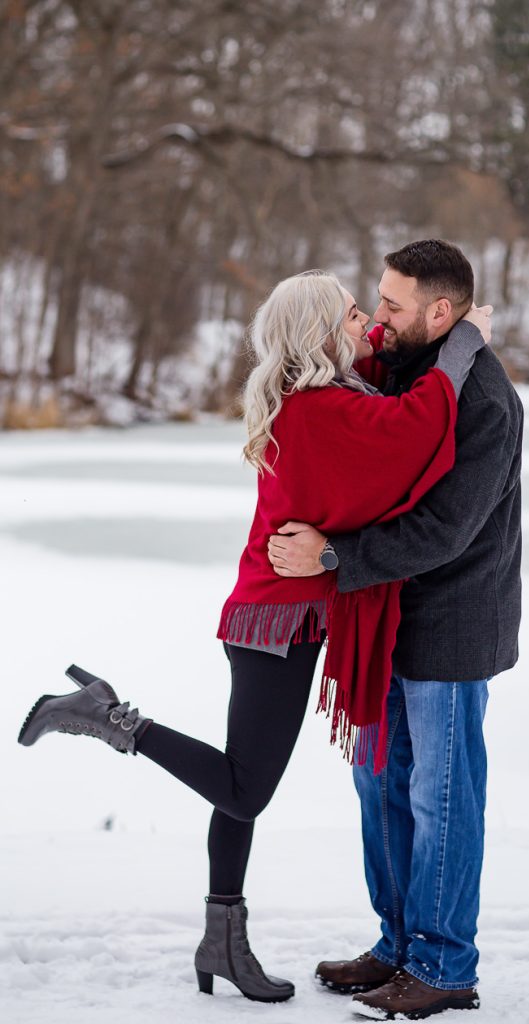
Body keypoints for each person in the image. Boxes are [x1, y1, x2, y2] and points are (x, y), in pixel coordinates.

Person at [17, 268, 489, 1007]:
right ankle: (109, 718)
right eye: (352, 313)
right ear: (320, 334)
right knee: (244, 790)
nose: (367, 321)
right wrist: (462, 343)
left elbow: (372, 375)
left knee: (235, 786)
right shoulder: (320, 411)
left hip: (269, 618)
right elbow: (413, 428)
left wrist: (415, 335)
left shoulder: (318, 396)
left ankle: (222, 941)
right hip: (276, 624)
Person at [267, 239, 524, 1019]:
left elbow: (444, 530)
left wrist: (333, 555)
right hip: (384, 620)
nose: (377, 316)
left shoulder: (481, 399)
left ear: (439, 313)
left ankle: (444, 964)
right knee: (379, 786)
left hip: (449, 623)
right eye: (376, 301)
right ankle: (396, 944)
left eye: (391, 304)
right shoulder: (408, 367)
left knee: (440, 798)